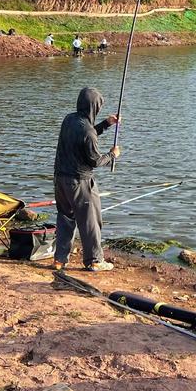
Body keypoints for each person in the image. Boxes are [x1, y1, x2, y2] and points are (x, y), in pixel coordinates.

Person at [52, 88, 120, 272]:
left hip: (60, 179)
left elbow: (86, 136)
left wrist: (106, 124)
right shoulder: (88, 131)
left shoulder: (69, 119)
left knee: (65, 218)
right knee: (91, 221)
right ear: (93, 107)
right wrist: (112, 155)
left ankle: (59, 260)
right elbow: (95, 161)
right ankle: (95, 260)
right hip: (79, 182)